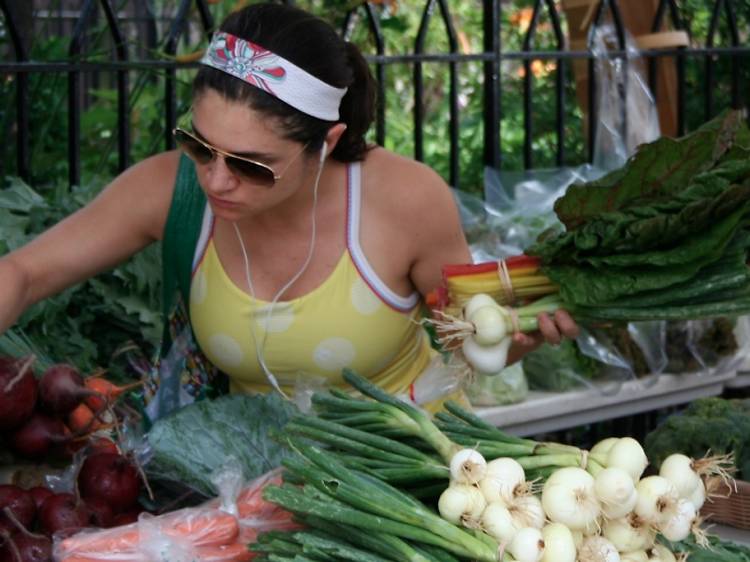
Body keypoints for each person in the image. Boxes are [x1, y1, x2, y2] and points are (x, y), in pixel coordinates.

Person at [0, 3, 577, 409]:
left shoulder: (402, 200)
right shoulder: (171, 190)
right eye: (199, 145)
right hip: (251, 496)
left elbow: (464, 337)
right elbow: (22, 274)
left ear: (324, 144)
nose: (216, 180)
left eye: (250, 164)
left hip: (405, 488)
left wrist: (512, 336)